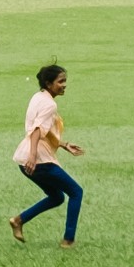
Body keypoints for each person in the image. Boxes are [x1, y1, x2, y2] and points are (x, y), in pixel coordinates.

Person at [8, 64, 86, 247]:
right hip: (38, 161)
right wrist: (33, 156)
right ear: (48, 83)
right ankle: (68, 239)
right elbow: (36, 130)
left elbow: (42, 129)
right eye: (60, 81)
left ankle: (18, 220)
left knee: (57, 197)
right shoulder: (50, 104)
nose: (65, 85)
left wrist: (64, 144)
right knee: (76, 192)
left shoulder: (38, 97)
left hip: (23, 157)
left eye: (65, 80)